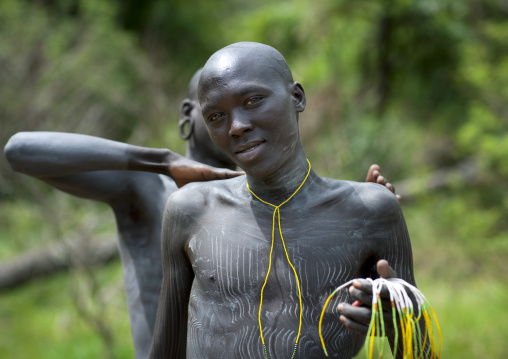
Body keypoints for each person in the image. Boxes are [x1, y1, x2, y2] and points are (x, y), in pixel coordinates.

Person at [4, 70, 396, 359]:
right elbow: (21, 151)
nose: (234, 120)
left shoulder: (281, 199)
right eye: (213, 108)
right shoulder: (153, 190)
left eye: (248, 100)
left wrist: (360, 230)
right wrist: (161, 162)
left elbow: (317, 316)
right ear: (188, 115)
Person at [149, 42, 414, 359]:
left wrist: (402, 321)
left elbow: (418, 348)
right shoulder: (191, 210)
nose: (237, 126)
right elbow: (165, 351)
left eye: (253, 100)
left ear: (297, 97)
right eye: (216, 115)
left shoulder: (369, 209)